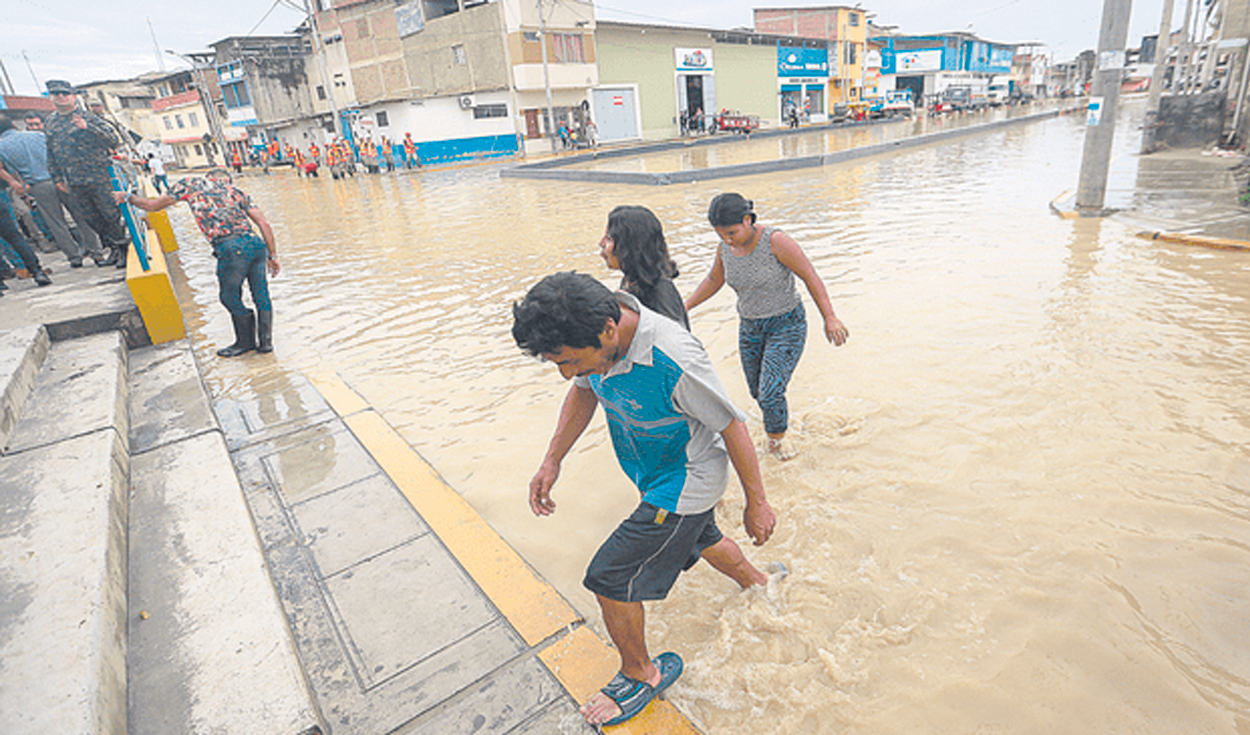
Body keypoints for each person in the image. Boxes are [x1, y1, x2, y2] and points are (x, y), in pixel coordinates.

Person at [513, 271, 780, 728]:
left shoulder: (672, 357)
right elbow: (582, 393)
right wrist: (552, 460)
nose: (567, 373)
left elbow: (732, 425)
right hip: (653, 473)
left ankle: (641, 674)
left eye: (571, 361)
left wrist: (757, 502)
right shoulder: (593, 338)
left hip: (685, 482)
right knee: (705, 540)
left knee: (609, 576)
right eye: (558, 363)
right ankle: (762, 585)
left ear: (609, 331)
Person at [685, 193, 849, 461]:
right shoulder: (725, 248)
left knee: (770, 392)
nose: (727, 239)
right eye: (720, 235)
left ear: (748, 220)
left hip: (786, 325)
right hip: (750, 328)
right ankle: (782, 427)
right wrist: (686, 306)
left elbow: (810, 276)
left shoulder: (776, 241)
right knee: (758, 393)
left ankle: (778, 450)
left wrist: (829, 317)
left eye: (732, 232)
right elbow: (715, 279)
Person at [120, 168, 279, 357]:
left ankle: (245, 343)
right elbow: (264, 224)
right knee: (261, 295)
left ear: (208, 178)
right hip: (256, 245)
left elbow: (153, 205)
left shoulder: (190, 183)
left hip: (231, 247)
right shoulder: (237, 192)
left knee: (229, 298)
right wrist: (273, 256)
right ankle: (266, 344)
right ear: (225, 180)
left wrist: (128, 197)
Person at [43, 79, 130, 268]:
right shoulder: (50, 122)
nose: (60, 97)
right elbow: (50, 151)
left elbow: (113, 140)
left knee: (110, 214)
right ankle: (114, 249)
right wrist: (56, 177)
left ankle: (124, 250)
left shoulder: (88, 117)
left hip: (98, 175)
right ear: (51, 98)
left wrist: (88, 127)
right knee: (91, 218)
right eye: (56, 94)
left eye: (64, 94)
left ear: (73, 97)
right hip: (74, 179)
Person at [0, 118, 103, 267]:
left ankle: (74, 257)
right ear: (14, 125)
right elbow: (59, 154)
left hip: (38, 186)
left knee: (56, 223)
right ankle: (97, 253)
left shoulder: (1, 146)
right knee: (80, 216)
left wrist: (13, 182)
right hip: (61, 179)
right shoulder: (38, 135)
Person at [598, 205, 688, 329]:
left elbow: (678, 340)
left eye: (608, 238)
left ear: (629, 247)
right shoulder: (632, 280)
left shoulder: (661, 291)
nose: (601, 243)